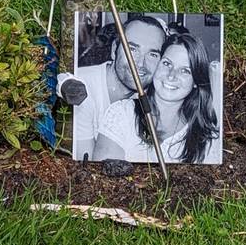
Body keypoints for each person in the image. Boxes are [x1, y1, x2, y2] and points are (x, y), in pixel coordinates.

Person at [92, 32, 222, 164]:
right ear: (156, 65)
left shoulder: (207, 137)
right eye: (167, 63)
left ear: (196, 81)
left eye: (185, 71)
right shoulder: (122, 114)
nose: (171, 75)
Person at [69, 16, 166, 161]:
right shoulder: (81, 85)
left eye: (152, 54)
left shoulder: (158, 99)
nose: (140, 63)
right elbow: (86, 167)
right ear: (114, 50)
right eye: (132, 49)